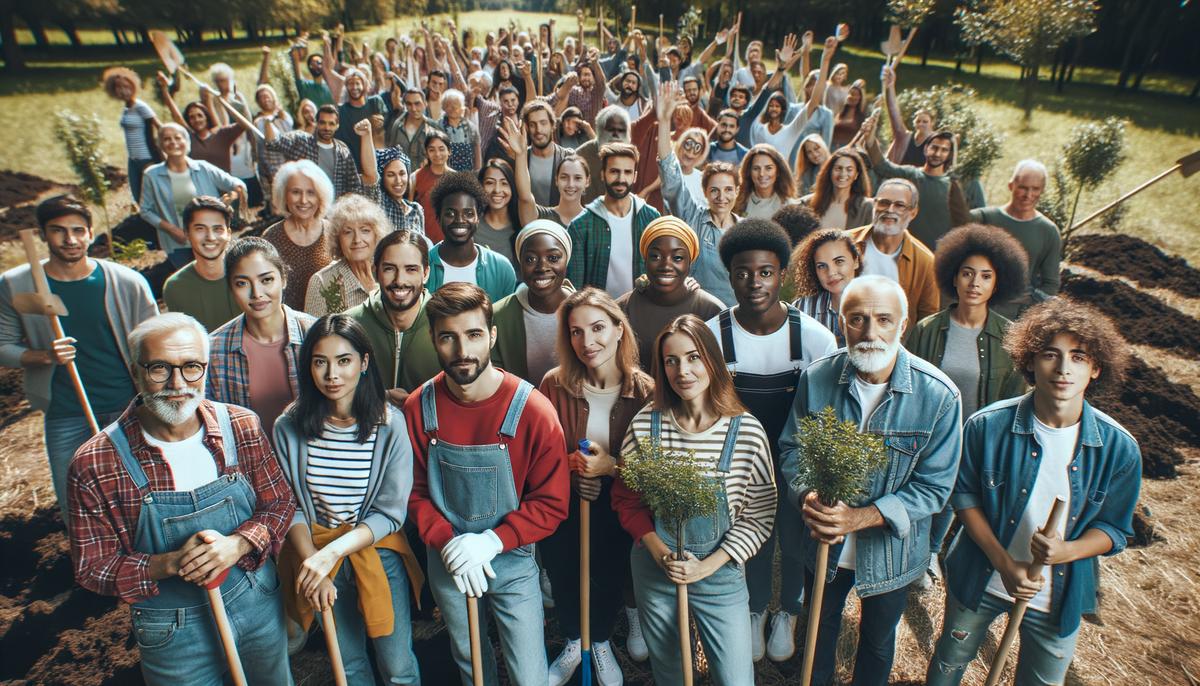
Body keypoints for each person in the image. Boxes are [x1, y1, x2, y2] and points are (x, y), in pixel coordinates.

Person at [67, 313, 296, 686]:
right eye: (159, 368)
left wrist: (238, 544)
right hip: (171, 629)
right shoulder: (97, 462)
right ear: (135, 371)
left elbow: (280, 504)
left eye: (191, 367)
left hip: (256, 601)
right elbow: (93, 567)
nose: (177, 384)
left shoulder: (241, 426)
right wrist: (171, 563)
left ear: (206, 368)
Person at [925, 298, 1141, 686]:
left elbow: (1115, 529)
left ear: (1095, 368)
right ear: (1029, 362)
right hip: (983, 575)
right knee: (948, 665)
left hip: (1056, 594)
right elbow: (965, 497)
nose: (1063, 369)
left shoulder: (1119, 448)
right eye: (1050, 355)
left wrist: (1066, 551)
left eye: (1078, 357)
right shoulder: (986, 426)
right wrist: (1006, 565)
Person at [779, 275, 962, 686]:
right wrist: (806, 494)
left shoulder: (939, 395)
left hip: (893, 550)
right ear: (841, 322)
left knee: (878, 642)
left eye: (883, 319)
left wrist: (860, 517)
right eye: (857, 319)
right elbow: (792, 449)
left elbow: (935, 487)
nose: (869, 332)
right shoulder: (818, 378)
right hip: (824, 542)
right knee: (818, 631)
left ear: (903, 324)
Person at [403, 282, 569, 686]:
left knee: (530, 676)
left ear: (492, 335)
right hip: (449, 558)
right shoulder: (418, 407)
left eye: (474, 334)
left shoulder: (532, 409)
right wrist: (447, 541)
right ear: (433, 339)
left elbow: (551, 502)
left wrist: (493, 541)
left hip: (512, 559)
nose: (463, 351)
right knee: (471, 665)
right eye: (449, 337)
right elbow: (412, 492)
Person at [611, 314, 775, 686]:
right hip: (657, 567)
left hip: (720, 571)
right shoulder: (646, 425)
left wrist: (707, 566)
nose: (682, 370)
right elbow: (627, 501)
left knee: (735, 678)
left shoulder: (746, 431)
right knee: (670, 670)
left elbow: (758, 514)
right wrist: (660, 553)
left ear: (712, 361)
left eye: (693, 357)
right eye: (671, 360)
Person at [705, 220, 836, 662]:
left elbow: (827, 413)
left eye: (766, 272)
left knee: (796, 537)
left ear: (782, 274)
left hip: (795, 461)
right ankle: (755, 607)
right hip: (741, 462)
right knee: (752, 535)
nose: (754, 282)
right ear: (730, 275)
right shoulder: (712, 335)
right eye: (743, 272)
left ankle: (790, 611)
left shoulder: (816, 338)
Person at [273, 314, 422, 686]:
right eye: (320, 362)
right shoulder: (288, 427)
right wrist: (317, 563)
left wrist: (332, 554)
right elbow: (288, 506)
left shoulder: (390, 424)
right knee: (348, 663)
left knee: (398, 665)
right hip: (314, 551)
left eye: (344, 361)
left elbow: (390, 514)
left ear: (364, 362)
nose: (331, 374)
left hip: (375, 549)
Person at [0, 195, 157, 521]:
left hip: (127, 407)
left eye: (78, 230)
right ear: (43, 234)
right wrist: (43, 355)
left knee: (143, 495)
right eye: (58, 231)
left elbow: (156, 343)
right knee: (76, 500)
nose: (70, 239)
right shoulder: (15, 285)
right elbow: (3, 345)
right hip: (64, 411)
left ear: (89, 232)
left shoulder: (126, 283)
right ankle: (90, 566)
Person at [539, 288, 655, 684]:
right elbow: (541, 453)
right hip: (565, 501)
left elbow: (655, 469)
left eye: (598, 328)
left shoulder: (646, 392)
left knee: (608, 571)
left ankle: (601, 639)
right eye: (575, 332)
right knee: (563, 568)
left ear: (620, 329)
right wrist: (571, 471)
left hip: (621, 503)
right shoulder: (554, 385)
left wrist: (611, 467)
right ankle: (575, 640)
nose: (587, 342)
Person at [906, 224, 1030, 584]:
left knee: (952, 497)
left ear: (998, 282)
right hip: (927, 433)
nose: (975, 283)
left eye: (986, 276)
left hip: (974, 438)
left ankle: (930, 553)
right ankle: (912, 552)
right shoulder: (927, 329)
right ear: (954, 277)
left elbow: (1014, 399)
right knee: (923, 493)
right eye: (967, 273)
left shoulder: (1009, 339)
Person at [208, 237, 316, 440]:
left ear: (283, 278)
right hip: (250, 466)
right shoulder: (213, 350)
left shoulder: (317, 334)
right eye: (242, 283)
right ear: (231, 289)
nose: (257, 294)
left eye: (266, 280)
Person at [657, 83, 740, 305]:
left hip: (734, 317)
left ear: (737, 192)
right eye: (714, 190)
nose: (721, 196)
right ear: (705, 192)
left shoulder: (744, 230)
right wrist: (664, 121)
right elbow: (671, 177)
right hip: (695, 310)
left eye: (728, 190)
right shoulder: (693, 216)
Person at [346, 229, 441, 405]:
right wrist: (379, 397)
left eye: (411, 269)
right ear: (375, 272)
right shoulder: (349, 326)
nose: (399, 280)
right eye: (389, 269)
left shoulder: (446, 324)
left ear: (426, 273)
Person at [617, 218, 726, 368]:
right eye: (655, 256)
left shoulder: (712, 310)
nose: (666, 265)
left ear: (690, 262)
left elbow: (725, 375)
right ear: (645, 259)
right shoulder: (622, 308)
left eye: (677, 258)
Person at [140, 123, 246, 267]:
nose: (173, 142)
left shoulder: (202, 167)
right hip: (178, 243)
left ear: (186, 141)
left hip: (211, 238)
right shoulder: (151, 175)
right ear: (160, 144)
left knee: (219, 275)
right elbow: (145, 211)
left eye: (178, 138)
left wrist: (229, 198)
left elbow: (238, 185)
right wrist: (172, 230)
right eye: (167, 139)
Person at [969, 159, 1062, 321]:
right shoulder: (983, 219)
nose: (1028, 195)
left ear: (1042, 191)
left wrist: (1026, 313)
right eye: (1023, 188)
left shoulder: (1048, 231)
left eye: (1035, 189)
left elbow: (1050, 284)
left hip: (1014, 320)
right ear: (1011, 185)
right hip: (973, 312)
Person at [567, 142, 661, 299]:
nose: (621, 179)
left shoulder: (651, 218)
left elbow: (661, 271)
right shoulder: (580, 226)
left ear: (635, 176)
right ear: (603, 174)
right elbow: (575, 289)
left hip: (643, 312)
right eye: (614, 171)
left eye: (627, 172)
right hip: (598, 315)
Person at [862, 114, 970, 251]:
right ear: (926, 149)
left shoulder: (952, 185)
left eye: (944, 150)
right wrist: (870, 140)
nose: (937, 154)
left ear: (949, 155)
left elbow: (963, 224)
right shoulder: (911, 174)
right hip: (902, 249)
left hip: (935, 254)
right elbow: (882, 166)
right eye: (934, 148)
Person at [491, 221, 573, 384]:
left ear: (567, 260)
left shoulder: (587, 312)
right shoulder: (498, 316)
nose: (542, 267)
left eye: (553, 258)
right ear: (519, 263)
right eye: (530, 259)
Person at [851, 178, 941, 323]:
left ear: (913, 212)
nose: (890, 210)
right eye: (884, 202)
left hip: (895, 343)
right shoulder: (845, 243)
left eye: (900, 205)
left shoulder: (926, 262)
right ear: (874, 204)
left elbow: (927, 319)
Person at [426, 171, 518, 300]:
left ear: (478, 218)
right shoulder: (423, 265)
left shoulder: (501, 268)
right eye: (450, 213)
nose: (460, 220)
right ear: (438, 217)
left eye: (468, 213)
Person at [261, 160, 334, 311]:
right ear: (284, 195)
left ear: (321, 196)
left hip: (327, 325)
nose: (303, 200)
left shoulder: (333, 232)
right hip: (287, 326)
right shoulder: (270, 238)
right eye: (295, 192)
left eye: (311, 192)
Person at [163, 196, 240, 331]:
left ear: (228, 233)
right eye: (200, 229)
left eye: (217, 229)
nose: (210, 237)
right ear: (187, 233)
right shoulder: (175, 288)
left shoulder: (249, 274)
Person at [305, 194, 389, 317]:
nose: (357, 239)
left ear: (376, 235)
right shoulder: (321, 283)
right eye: (348, 232)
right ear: (338, 239)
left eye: (365, 230)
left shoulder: (391, 273)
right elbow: (314, 334)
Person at [502, 118, 590, 228]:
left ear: (587, 181)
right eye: (564, 177)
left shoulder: (595, 221)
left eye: (577, 178)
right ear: (556, 180)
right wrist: (520, 155)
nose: (570, 184)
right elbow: (525, 198)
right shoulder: (543, 217)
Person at [264, 104, 365, 198]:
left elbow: (354, 184)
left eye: (331, 124)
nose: (327, 127)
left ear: (337, 126)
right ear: (316, 123)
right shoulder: (301, 141)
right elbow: (273, 144)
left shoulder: (343, 151)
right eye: (322, 123)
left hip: (333, 208)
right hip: (306, 204)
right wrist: (269, 120)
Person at [156, 72, 245, 174]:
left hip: (224, 187)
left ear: (206, 117)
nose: (197, 120)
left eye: (200, 116)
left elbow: (244, 125)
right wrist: (164, 89)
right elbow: (177, 116)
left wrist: (233, 99)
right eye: (192, 117)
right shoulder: (189, 137)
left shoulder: (221, 134)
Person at [790, 229, 864, 346]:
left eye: (839, 261)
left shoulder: (878, 305)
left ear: (856, 261)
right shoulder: (802, 308)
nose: (831, 273)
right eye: (822, 266)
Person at [103, 66, 161, 203]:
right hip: (133, 158)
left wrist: (160, 153)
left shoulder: (140, 106)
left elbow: (161, 127)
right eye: (119, 88)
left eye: (127, 87)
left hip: (146, 157)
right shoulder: (126, 109)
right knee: (137, 195)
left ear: (133, 87)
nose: (124, 91)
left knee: (153, 195)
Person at [801, 148, 875, 230]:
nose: (843, 174)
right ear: (830, 172)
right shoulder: (808, 203)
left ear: (856, 174)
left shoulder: (867, 207)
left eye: (849, 169)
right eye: (838, 168)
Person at [521, 100, 575, 207]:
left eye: (543, 123)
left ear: (552, 125)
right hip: (528, 222)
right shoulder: (521, 159)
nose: (538, 130)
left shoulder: (568, 157)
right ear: (527, 128)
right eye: (532, 125)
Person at [574, 105, 631, 204]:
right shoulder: (581, 156)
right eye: (611, 130)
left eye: (620, 130)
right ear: (600, 131)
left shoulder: (632, 157)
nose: (616, 135)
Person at [336, 68, 390, 172]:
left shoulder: (375, 103)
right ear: (346, 86)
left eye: (357, 83)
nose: (354, 87)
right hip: (352, 167)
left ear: (364, 85)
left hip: (377, 164)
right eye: (350, 83)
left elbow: (387, 128)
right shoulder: (341, 111)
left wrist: (379, 124)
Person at [881, 65, 934, 166]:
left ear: (932, 123)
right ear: (914, 123)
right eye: (918, 121)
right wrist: (890, 86)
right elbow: (893, 111)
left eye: (925, 121)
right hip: (898, 179)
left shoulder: (936, 142)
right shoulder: (905, 137)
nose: (921, 124)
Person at [367, 147, 427, 235]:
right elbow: (371, 175)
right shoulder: (379, 203)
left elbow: (422, 245)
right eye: (391, 175)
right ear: (382, 178)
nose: (398, 180)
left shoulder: (416, 210)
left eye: (402, 174)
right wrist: (367, 134)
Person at [411, 129, 454, 242]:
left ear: (449, 151)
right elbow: (410, 211)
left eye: (441, 149)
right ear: (426, 152)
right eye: (432, 150)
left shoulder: (456, 179)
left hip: (450, 239)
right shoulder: (416, 177)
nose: (437, 154)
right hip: (423, 240)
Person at [386, 87, 444, 171]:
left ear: (425, 103)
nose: (413, 109)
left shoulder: (434, 128)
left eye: (417, 104)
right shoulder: (396, 126)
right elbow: (390, 154)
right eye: (409, 104)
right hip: (402, 179)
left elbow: (444, 156)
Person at [476, 160, 521, 264]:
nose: (497, 190)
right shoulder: (473, 225)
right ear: (481, 186)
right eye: (490, 183)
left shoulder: (521, 224)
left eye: (504, 183)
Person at [733, 145, 795, 220]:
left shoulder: (788, 205)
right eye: (756, 168)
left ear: (778, 171)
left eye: (768, 168)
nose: (762, 174)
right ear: (749, 171)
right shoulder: (736, 202)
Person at [440, 89, 482, 172]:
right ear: (444, 107)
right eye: (449, 105)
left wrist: (478, 171)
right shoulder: (439, 126)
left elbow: (477, 151)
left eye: (456, 105)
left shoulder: (471, 127)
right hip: (445, 172)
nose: (453, 108)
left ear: (462, 108)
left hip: (467, 172)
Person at [831, 79, 868, 149]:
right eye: (850, 94)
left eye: (856, 95)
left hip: (850, 150)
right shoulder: (840, 113)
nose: (852, 97)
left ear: (860, 98)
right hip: (833, 148)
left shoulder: (861, 117)